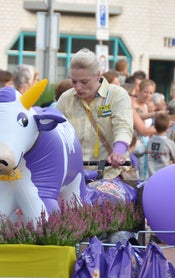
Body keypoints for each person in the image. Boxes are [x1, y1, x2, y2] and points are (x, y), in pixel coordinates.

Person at [56, 48, 133, 180]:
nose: (78, 87)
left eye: (84, 82)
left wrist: (118, 152)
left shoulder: (117, 94)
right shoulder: (66, 98)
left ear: (98, 75)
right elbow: (54, 132)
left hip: (109, 174)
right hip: (74, 177)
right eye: (74, 81)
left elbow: (123, 127)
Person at [146, 113, 175, 177]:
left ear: (154, 126)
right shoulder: (170, 143)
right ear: (168, 127)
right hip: (164, 175)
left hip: (151, 175)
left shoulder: (149, 141)